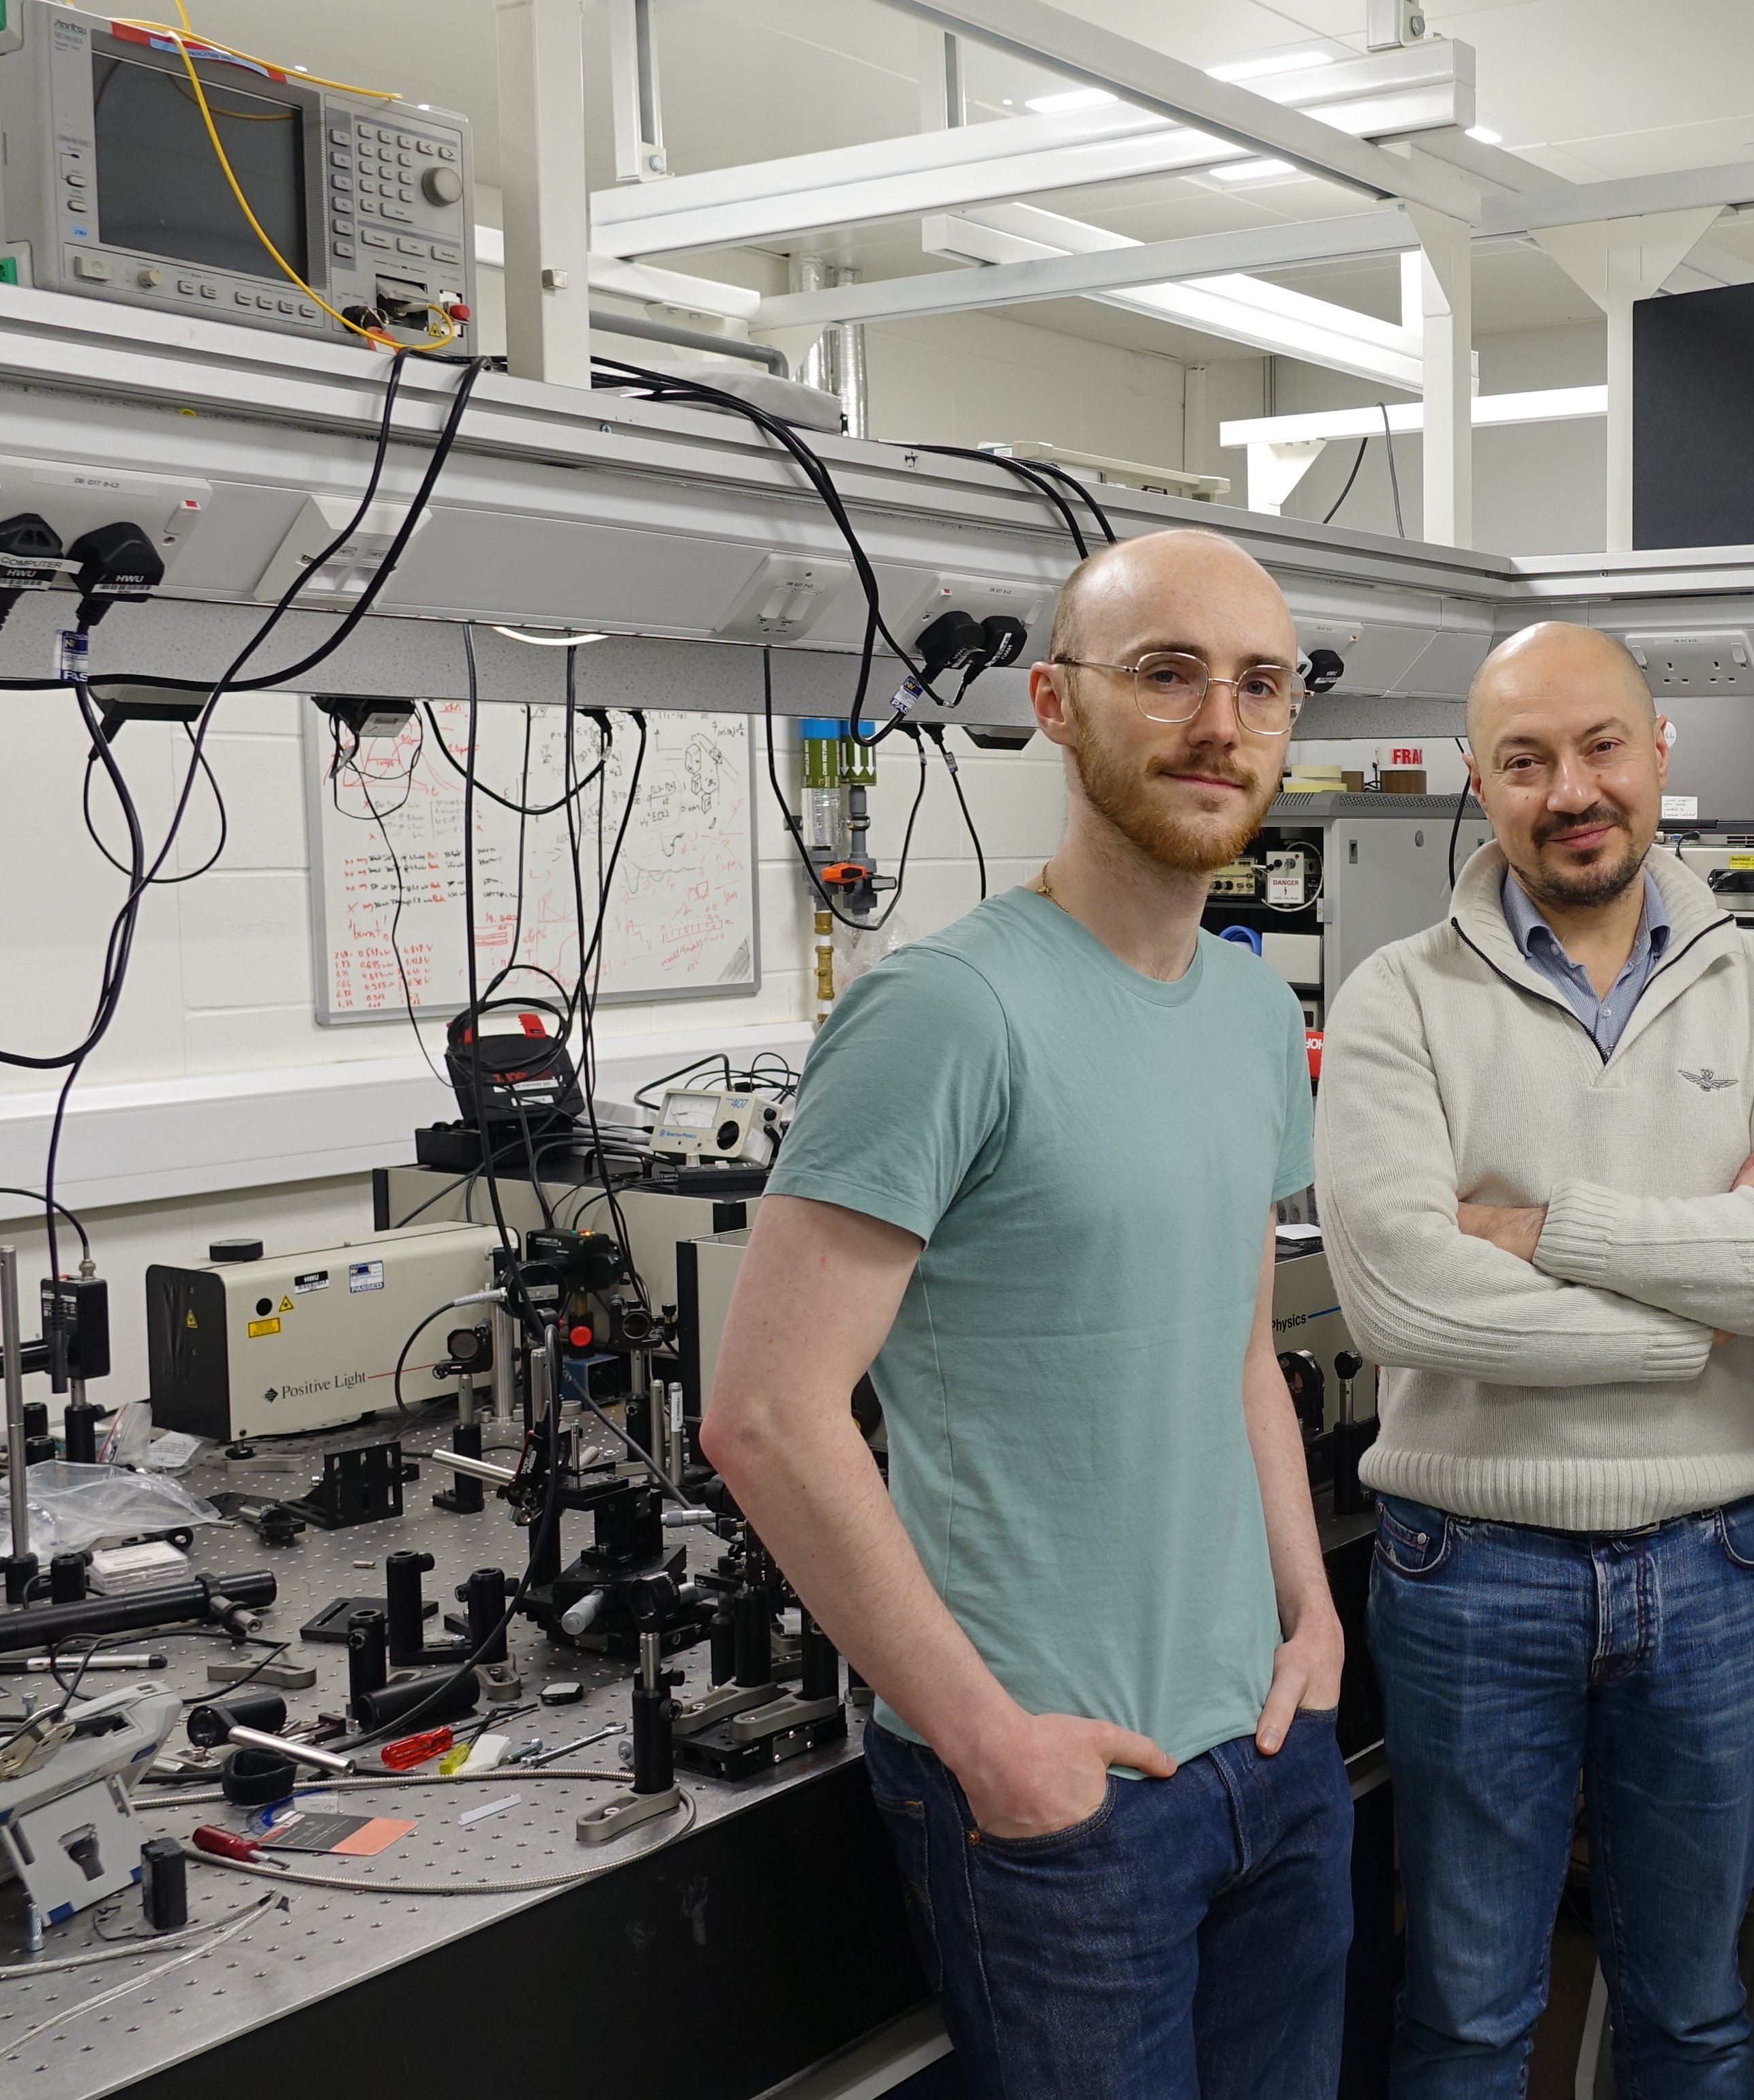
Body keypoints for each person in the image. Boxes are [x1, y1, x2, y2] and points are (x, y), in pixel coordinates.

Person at [700, 528, 1348, 2099]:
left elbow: (1241, 1349)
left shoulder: (1257, 1010)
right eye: (1168, 673)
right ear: (1054, 704)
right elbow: (769, 1416)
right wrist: (988, 1741)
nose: (1220, 723)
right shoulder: (945, 1011)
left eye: (1259, 684)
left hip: (1264, 1757)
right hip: (1060, 1799)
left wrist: (1312, 1614)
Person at [1317, 620, 1754, 2099]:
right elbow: (1399, 1302)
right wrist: (1706, 1299)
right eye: (1525, 760)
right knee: (1463, 2015)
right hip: (1468, 1567)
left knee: (1690, 2014)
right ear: (1477, 781)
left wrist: (1542, 1224)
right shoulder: (1397, 997)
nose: (1570, 788)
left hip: (1715, 1569)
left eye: (1599, 748)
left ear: (1660, 756)